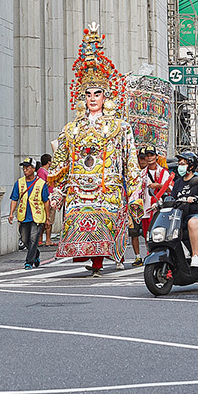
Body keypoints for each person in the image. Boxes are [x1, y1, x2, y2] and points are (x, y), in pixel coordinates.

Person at [46, 25, 143, 274]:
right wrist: (57, 191)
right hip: (79, 190)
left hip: (107, 189)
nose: (92, 98)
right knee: (82, 225)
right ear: (82, 97)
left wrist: (134, 195)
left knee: (105, 222)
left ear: (105, 95)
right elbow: (59, 163)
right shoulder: (71, 129)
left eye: (97, 93)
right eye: (88, 93)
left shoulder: (120, 127)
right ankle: (93, 259)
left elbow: (130, 161)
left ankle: (101, 259)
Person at [167, 151, 198, 268]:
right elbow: (172, 198)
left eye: (183, 164)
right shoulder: (177, 183)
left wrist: (195, 199)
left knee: (193, 223)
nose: (180, 166)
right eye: (179, 164)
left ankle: (195, 256)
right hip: (181, 216)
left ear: (191, 166)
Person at [8, 158, 50, 267]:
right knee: (24, 239)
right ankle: (36, 253)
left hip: (38, 216)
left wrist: (47, 218)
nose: (25, 170)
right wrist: (11, 213)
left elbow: (46, 201)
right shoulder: (19, 182)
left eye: (27, 167)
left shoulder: (41, 183)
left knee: (33, 238)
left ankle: (29, 262)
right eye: (24, 168)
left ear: (33, 169)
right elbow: (14, 199)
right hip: (23, 215)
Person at [141, 148, 173, 239]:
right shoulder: (142, 174)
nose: (149, 158)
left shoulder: (163, 172)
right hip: (146, 209)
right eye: (147, 156)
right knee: (147, 236)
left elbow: (170, 189)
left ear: (156, 157)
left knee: (159, 235)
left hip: (159, 209)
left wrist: (158, 186)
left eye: (152, 155)